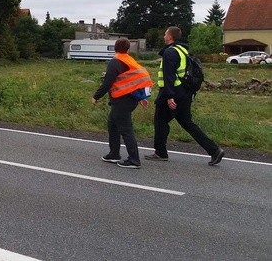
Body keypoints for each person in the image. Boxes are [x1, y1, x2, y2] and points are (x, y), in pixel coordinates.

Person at [145, 26, 225, 165]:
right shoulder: (182, 50)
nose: (164, 36)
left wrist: (170, 96)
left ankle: (160, 153)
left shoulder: (170, 52)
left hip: (172, 93)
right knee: (187, 123)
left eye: (165, 34)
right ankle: (214, 150)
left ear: (170, 37)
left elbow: (169, 76)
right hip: (185, 92)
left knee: (160, 121)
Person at [91, 38, 152, 169]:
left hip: (122, 101)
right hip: (130, 99)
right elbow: (135, 80)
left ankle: (134, 160)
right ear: (128, 49)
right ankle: (114, 154)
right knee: (112, 124)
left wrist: (96, 96)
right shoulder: (130, 60)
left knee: (126, 129)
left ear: (115, 48)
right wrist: (141, 97)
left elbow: (108, 82)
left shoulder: (115, 61)